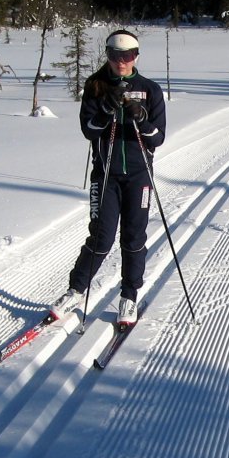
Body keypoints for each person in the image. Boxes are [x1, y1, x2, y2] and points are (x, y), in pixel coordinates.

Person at [53, 29, 166, 329]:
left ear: (136, 56)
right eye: (115, 55)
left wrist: (141, 118)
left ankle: (129, 296)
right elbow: (89, 130)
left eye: (127, 55)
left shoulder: (150, 89)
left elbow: (158, 138)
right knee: (101, 238)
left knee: (133, 237)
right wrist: (105, 109)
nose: (121, 61)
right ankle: (76, 291)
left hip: (139, 177)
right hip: (105, 176)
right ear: (108, 55)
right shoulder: (96, 86)